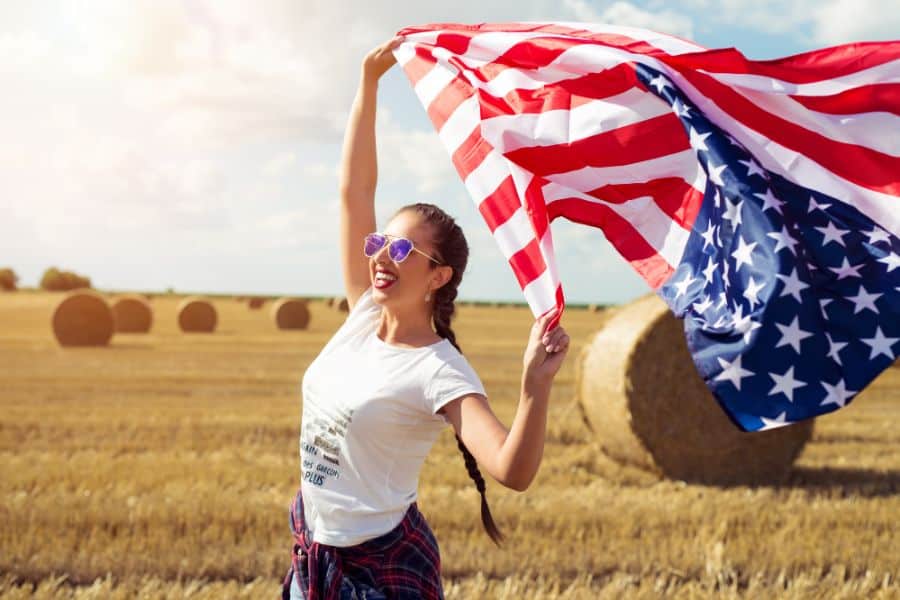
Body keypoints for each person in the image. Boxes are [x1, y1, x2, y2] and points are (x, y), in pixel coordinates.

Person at [283, 35, 571, 600]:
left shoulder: (439, 370)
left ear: (439, 277)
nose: (379, 257)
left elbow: (512, 472)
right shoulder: (363, 315)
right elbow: (353, 190)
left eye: (400, 250)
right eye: (378, 243)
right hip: (313, 559)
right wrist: (368, 83)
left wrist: (534, 387)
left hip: (376, 575)